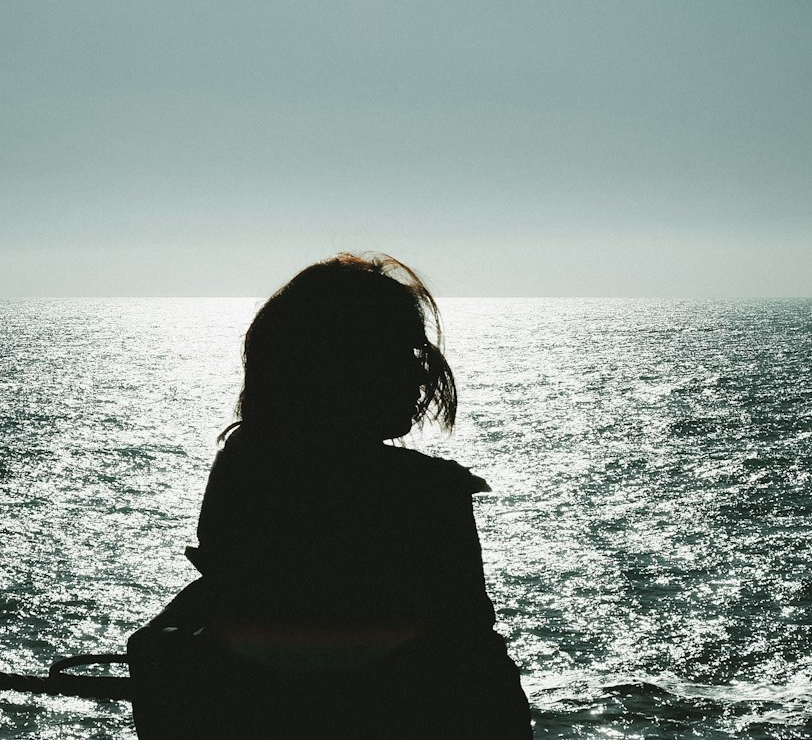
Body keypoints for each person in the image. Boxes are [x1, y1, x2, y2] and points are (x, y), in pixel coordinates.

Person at [128, 253, 532, 738]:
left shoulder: (244, 470)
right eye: (403, 350)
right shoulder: (420, 498)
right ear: (348, 367)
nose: (421, 373)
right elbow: (477, 678)